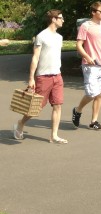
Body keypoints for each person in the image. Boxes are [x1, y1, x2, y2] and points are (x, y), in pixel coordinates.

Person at [13, 9, 68, 144]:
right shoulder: (41, 36)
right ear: (54, 19)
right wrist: (31, 78)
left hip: (57, 76)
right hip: (43, 77)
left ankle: (54, 136)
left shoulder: (59, 37)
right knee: (36, 108)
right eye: (61, 18)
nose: (63, 20)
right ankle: (20, 123)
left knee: (58, 105)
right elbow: (35, 58)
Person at [72, 1, 101, 131]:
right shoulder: (86, 26)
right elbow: (79, 45)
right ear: (93, 12)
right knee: (92, 93)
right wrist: (87, 57)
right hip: (90, 65)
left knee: (100, 94)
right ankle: (77, 110)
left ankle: (93, 121)